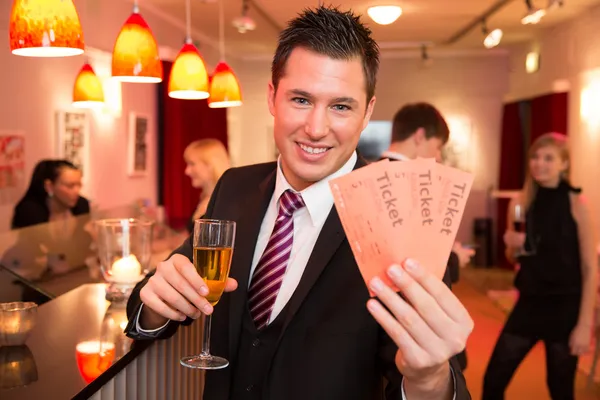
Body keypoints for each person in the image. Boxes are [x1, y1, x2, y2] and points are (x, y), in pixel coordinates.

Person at [125, 6, 473, 399]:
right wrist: (155, 303)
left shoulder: (400, 220)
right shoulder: (234, 187)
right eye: (301, 100)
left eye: (341, 106)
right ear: (273, 97)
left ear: (367, 113)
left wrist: (428, 378)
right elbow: (165, 294)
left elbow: (435, 382)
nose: (316, 128)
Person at [482, 133, 597, 399]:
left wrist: (584, 325)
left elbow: (590, 268)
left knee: (559, 389)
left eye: (548, 158)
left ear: (564, 164)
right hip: (530, 303)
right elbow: (515, 258)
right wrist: (513, 246)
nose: (539, 163)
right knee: (493, 380)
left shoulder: (576, 204)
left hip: (565, 308)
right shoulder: (521, 202)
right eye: (535, 157)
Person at [183, 139, 230, 233]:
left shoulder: (226, 202)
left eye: (192, 164)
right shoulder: (205, 198)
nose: (187, 171)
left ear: (210, 165)